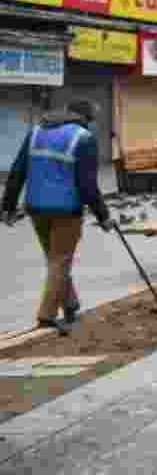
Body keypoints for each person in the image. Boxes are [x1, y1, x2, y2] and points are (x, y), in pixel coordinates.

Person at [1, 100, 110, 335]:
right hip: (66, 210)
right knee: (60, 261)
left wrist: (7, 207)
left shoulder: (36, 132)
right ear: (85, 118)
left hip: (36, 208)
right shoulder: (83, 138)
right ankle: (47, 316)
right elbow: (88, 185)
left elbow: (17, 171)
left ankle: (70, 304)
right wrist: (103, 216)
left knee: (55, 260)